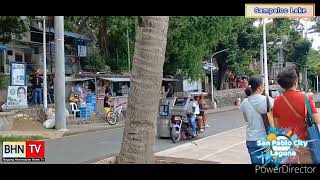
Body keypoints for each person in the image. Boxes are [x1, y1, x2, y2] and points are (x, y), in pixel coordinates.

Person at [273, 68, 320, 164]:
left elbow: (276, 125)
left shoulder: (277, 101)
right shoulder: (305, 98)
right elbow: (317, 120)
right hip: (304, 142)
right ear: (296, 81)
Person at [240, 76, 274, 164]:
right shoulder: (268, 101)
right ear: (259, 87)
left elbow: (246, 119)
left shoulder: (244, 102)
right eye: (263, 85)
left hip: (251, 139)